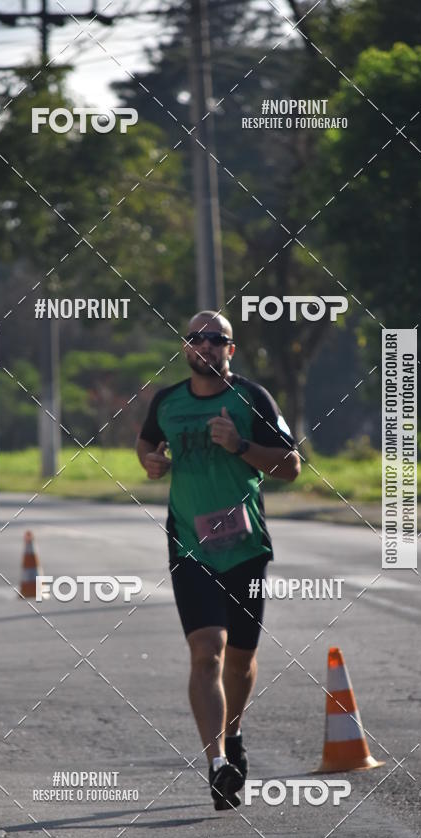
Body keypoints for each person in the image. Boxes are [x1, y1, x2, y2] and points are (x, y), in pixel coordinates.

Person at [136, 311, 300, 810]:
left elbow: (291, 466)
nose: (203, 345)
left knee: (241, 658)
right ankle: (218, 764)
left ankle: (234, 733)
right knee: (207, 650)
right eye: (195, 338)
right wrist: (150, 461)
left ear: (231, 348)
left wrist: (240, 445)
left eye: (214, 338)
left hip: (245, 547)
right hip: (190, 545)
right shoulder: (167, 401)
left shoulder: (253, 398)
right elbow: (146, 440)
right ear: (185, 347)